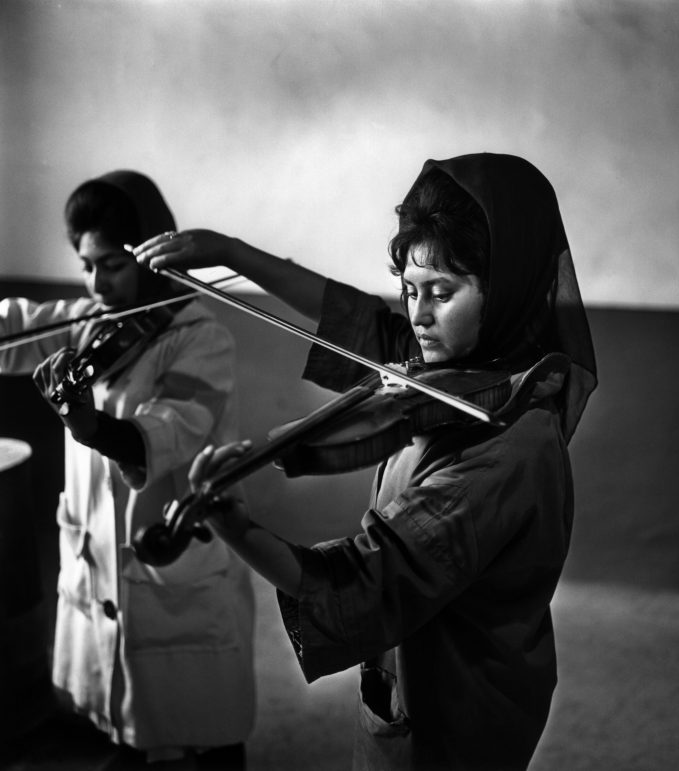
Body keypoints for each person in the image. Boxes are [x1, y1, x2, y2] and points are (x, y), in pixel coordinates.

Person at [134, 152, 597, 770]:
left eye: (442, 292)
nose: (419, 314)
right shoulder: (463, 362)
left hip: (458, 703)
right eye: (410, 290)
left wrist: (237, 529)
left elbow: (368, 580)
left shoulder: (506, 447)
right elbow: (352, 319)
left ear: (508, 288)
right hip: (415, 673)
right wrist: (231, 251)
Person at [0, 171, 255, 770]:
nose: (97, 282)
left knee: (202, 718)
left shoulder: (200, 336)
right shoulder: (90, 322)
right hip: (100, 553)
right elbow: (14, 325)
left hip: (170, 552)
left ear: (150, 254)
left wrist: (94, 427)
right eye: (86, 264)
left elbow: (168, 429)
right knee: (125, 711)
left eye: (112, 263)